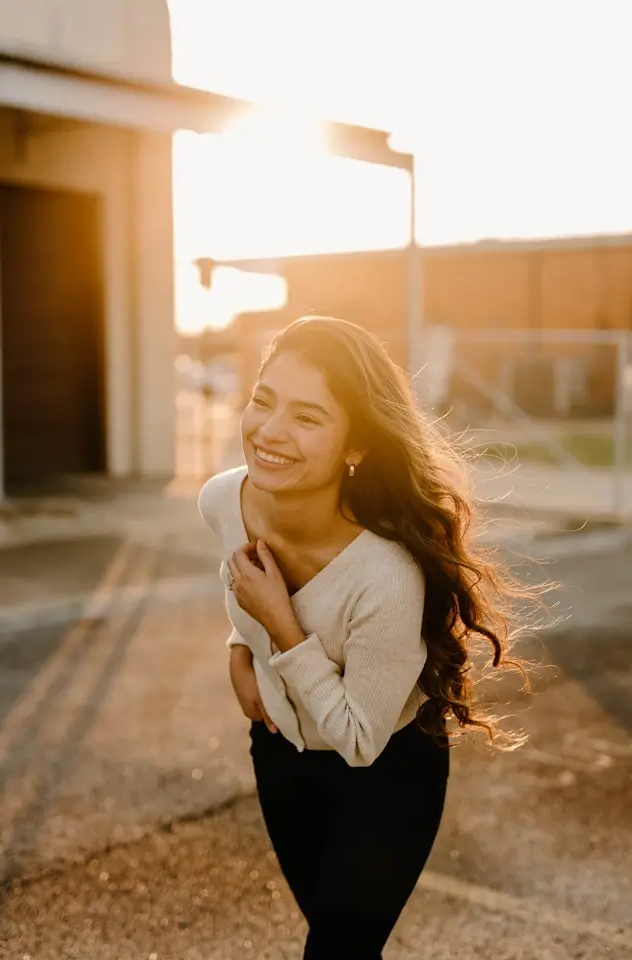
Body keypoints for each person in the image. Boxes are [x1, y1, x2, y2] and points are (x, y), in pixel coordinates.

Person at [198, 315, 526, 960]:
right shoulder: (221, 500)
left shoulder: (386, 575)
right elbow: (241, 594)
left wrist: (280, 626)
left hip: (385, 780)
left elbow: (358, 740)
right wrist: (238, 648)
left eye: (308, 417)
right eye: (265, 400)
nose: (269, 430)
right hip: (281, 756)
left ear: (356, 447)